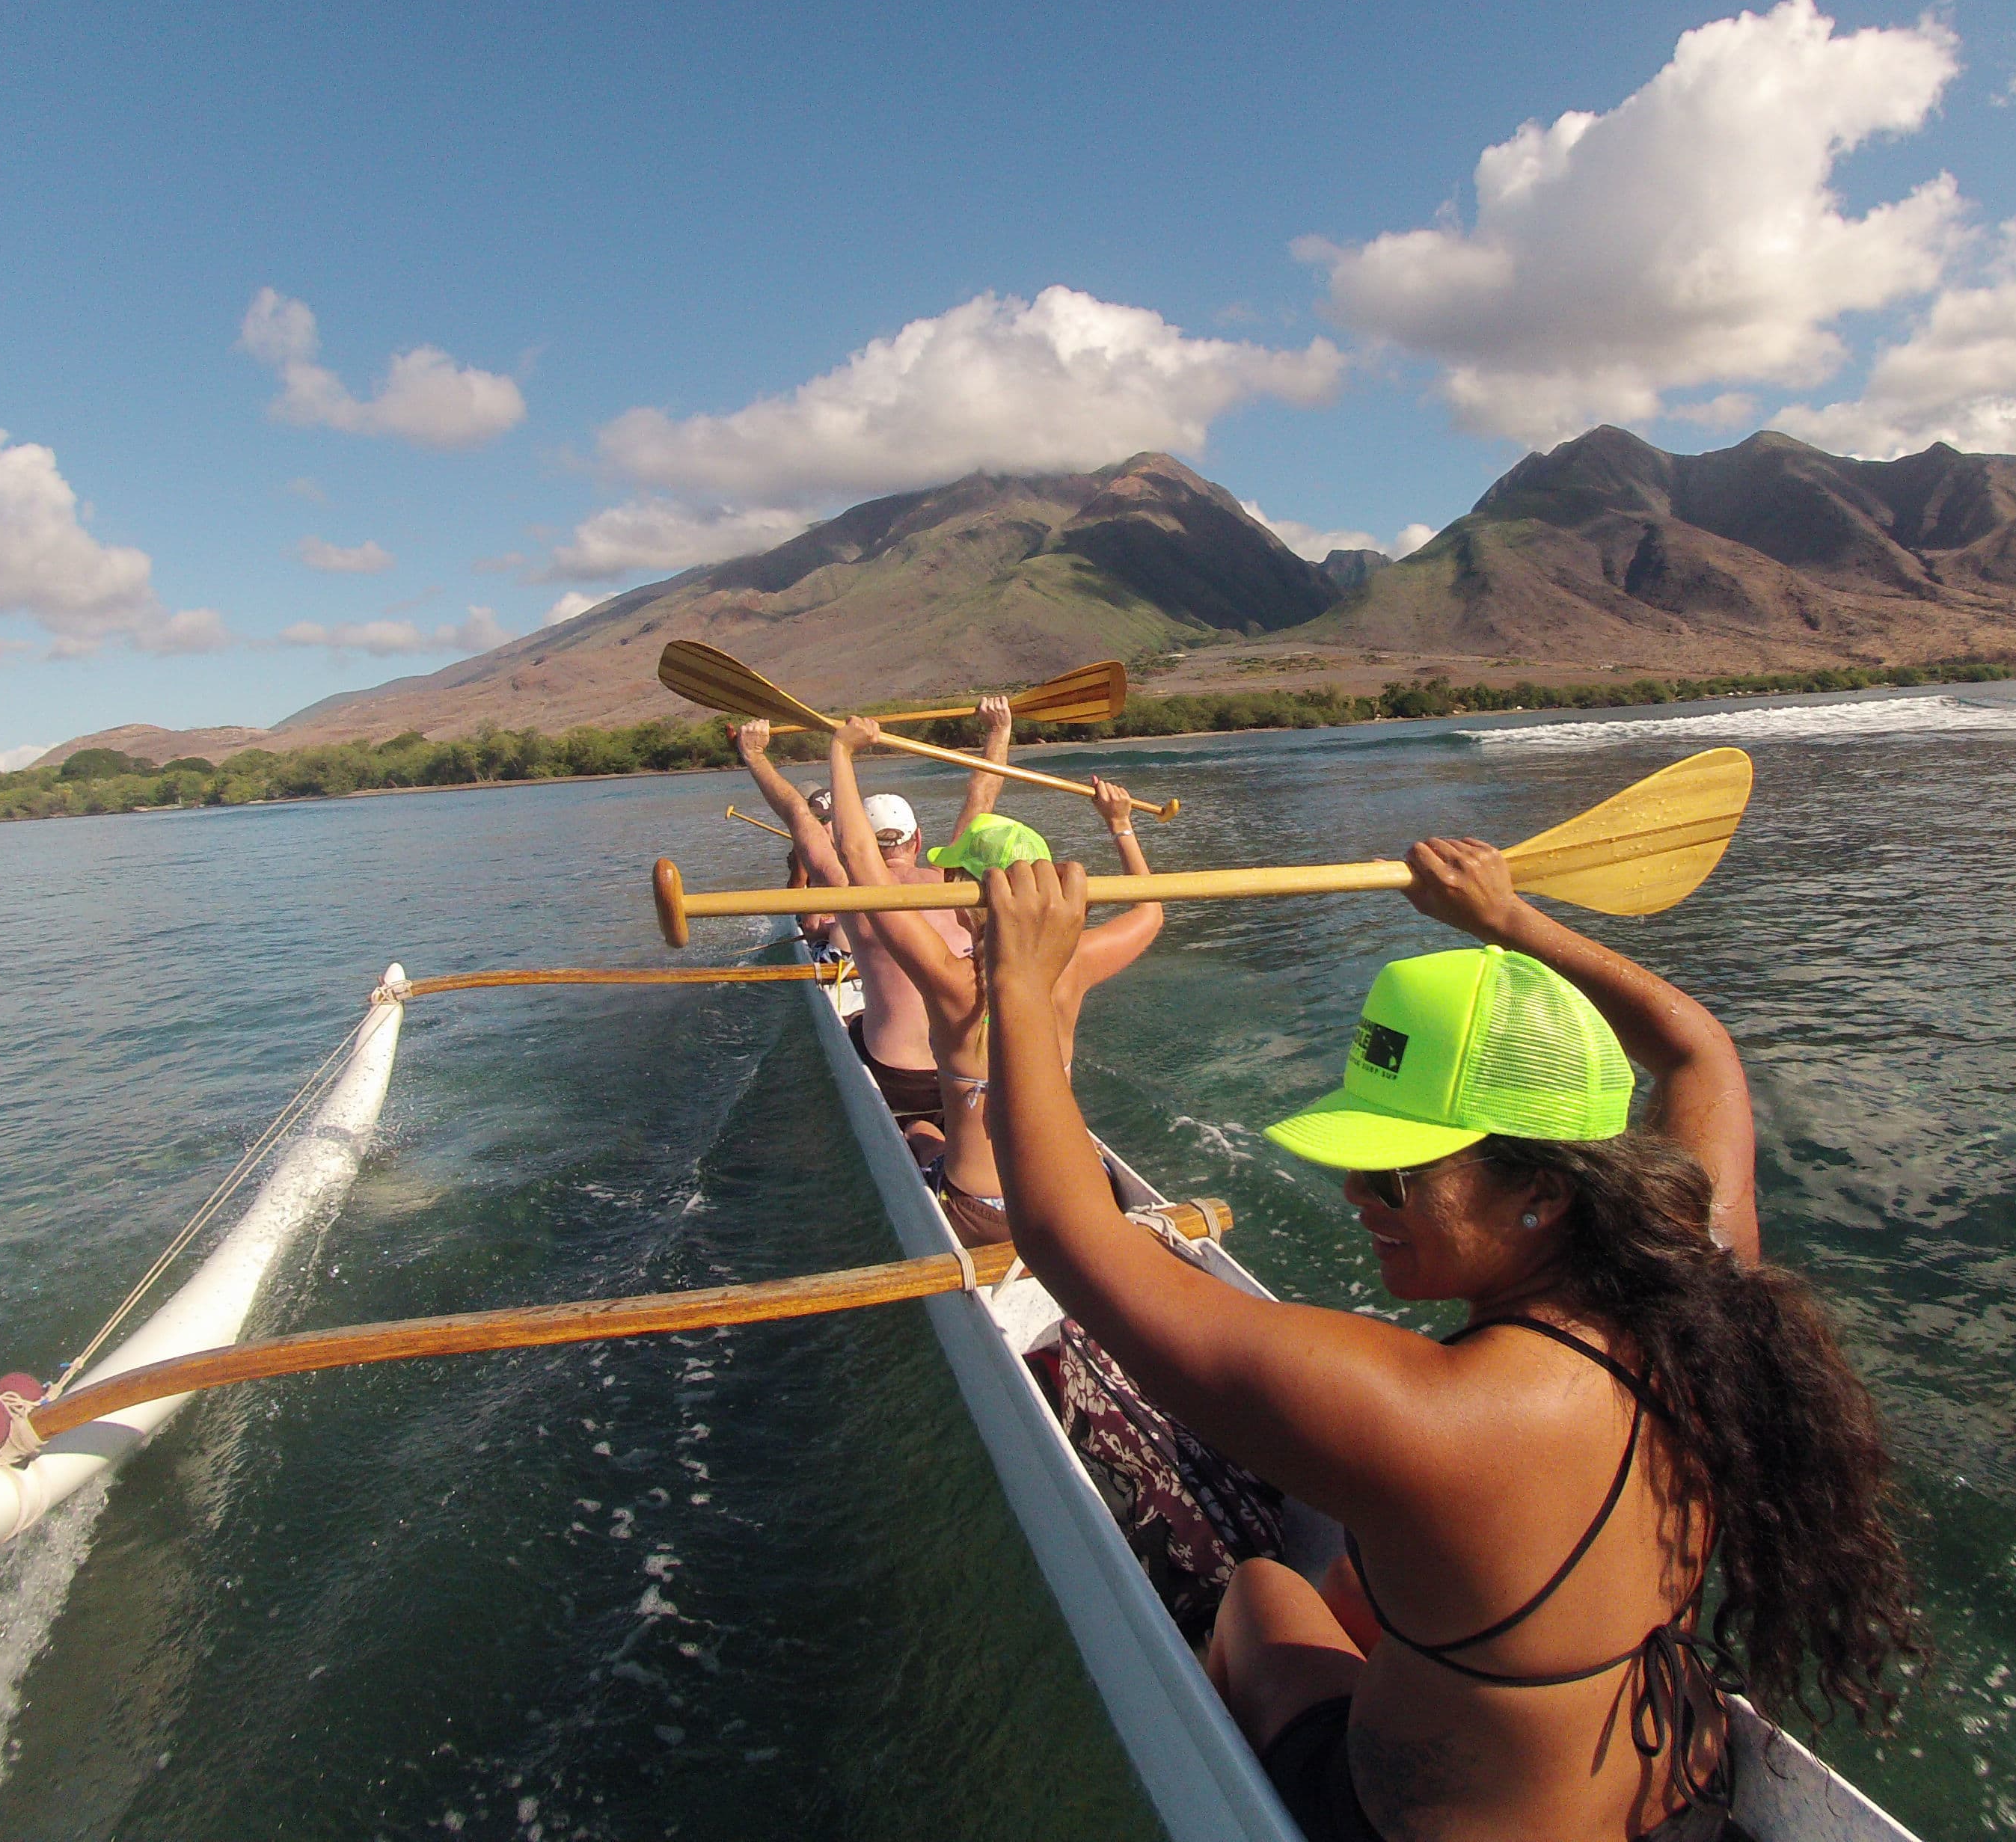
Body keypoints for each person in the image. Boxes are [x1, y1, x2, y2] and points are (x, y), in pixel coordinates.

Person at [972, 838, 1920, 1842]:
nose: (1355, 1194)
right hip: (1685, 1805)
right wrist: (1505, 923)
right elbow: (1697, 1051)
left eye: (1395, 1172)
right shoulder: (1701, 1265)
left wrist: (1024, 985)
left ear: (1544, 1194)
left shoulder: (1435, 1415)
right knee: (1367, 1590)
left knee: (1256, 1595)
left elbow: (1068, 1234)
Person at [827, 708, 1162, 1244]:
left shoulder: (952, 982)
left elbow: (859, 859)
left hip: (988, 1216)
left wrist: (842, 753)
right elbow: (1151, 912)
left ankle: (919, 1136)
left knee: (919, 1131)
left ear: (966, 895)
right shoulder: (1074, 966)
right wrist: (1121, 824)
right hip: (1082, 1194)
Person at [735, 714, 1002, 1155]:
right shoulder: (955, 881)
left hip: (903, 1071)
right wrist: (999, 731)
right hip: (979, 1057)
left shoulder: (846, 889)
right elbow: (981, 799)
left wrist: (753, 754)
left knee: (867, 1035)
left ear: (849, 846)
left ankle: (923, 1140)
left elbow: (796, 812)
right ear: (917, 841)